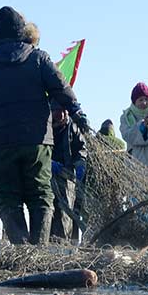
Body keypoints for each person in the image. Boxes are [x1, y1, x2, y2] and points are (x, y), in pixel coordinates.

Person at [0, 6, 87, 244]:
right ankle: (38, 251)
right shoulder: (38, 58)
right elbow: (60, 87)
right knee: (40, 196)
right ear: (23, 32)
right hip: (37, 141)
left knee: (8, 198)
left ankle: (21, 248)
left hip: (2, 144)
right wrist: (76, 109)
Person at [50, 101, 87, 241]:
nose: (62, 114)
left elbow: (81, 148)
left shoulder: (72, 126)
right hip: (46, 177)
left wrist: (80, 162)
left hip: (66, 178)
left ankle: (65, 246)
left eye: (64, 110)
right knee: (48, 212)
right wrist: (47, 163)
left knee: (66, 213)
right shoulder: (42, 126)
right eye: (57, 110)